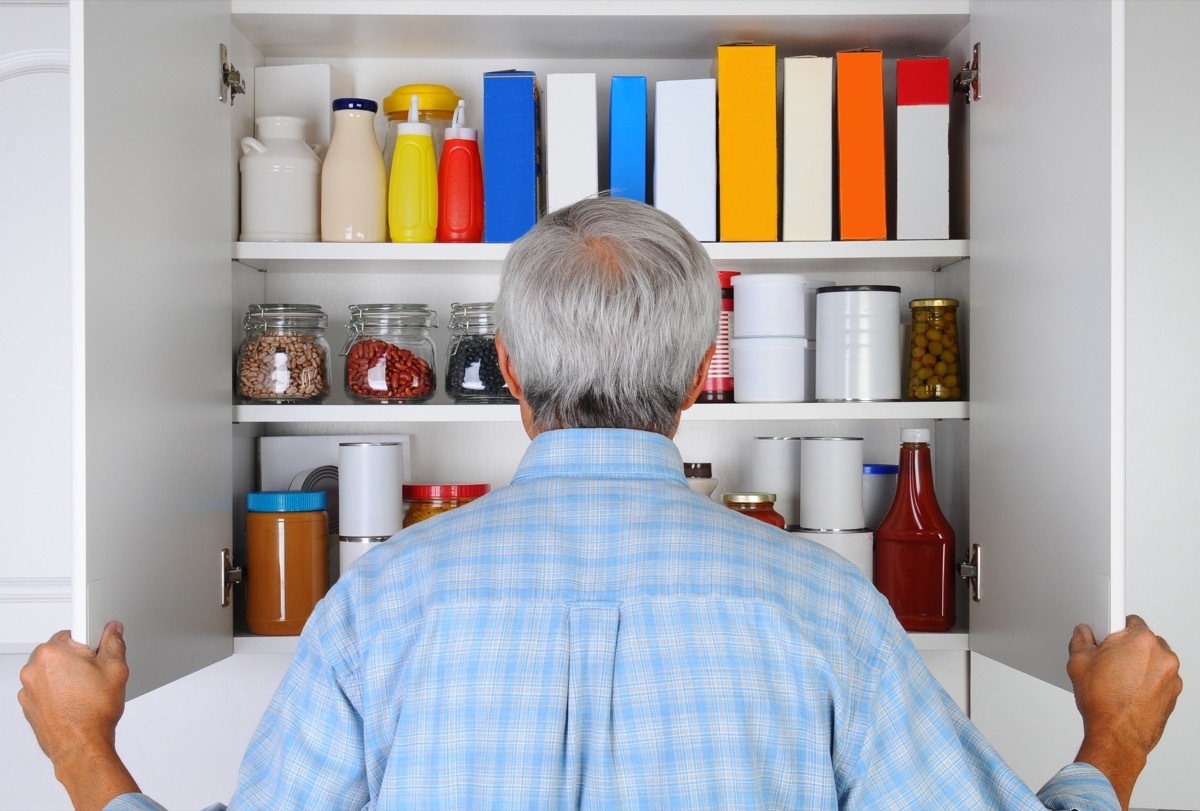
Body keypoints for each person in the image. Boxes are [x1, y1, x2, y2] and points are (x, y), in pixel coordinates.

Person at [19, 197, 1181, 811]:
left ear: (511, 371)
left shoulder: (382, 599)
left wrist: (82, 751)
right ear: (697, 372)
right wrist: (1115, 737)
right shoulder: (828, 610)